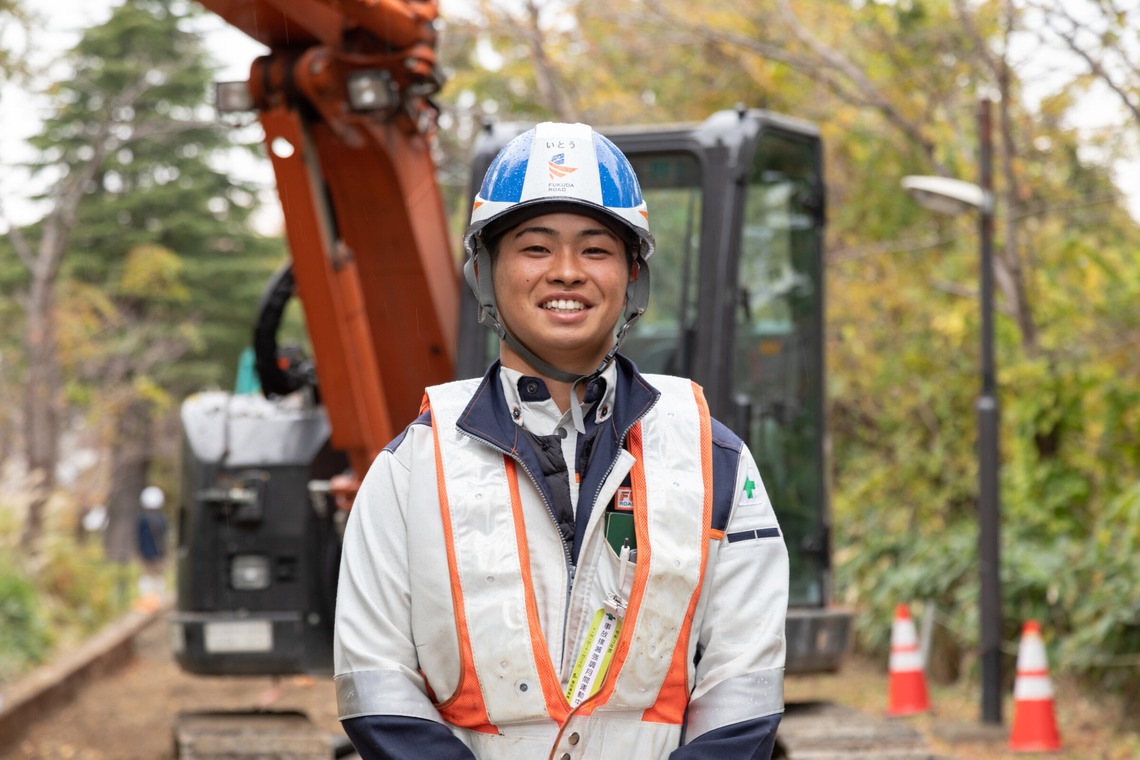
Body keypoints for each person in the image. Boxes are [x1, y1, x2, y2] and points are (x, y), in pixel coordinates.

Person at [334, 122, 789, 759]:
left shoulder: (714, 460)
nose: (567, 273)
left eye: (596, 249)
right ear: (486, 271)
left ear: (632, 275)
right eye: (536, 248)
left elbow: (742, 685)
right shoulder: (412, 469)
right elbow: (377, 681)